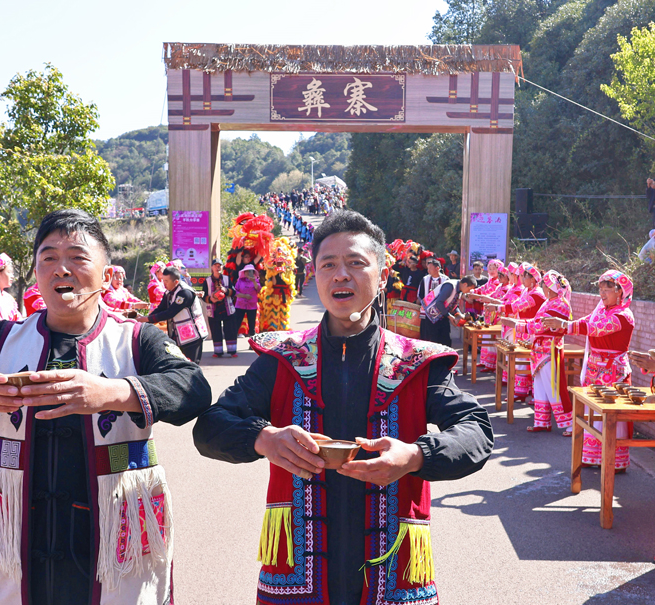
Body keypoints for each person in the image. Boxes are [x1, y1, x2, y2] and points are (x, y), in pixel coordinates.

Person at [0, 209, 212, 604]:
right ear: (37, 274)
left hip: (110, 530)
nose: (62, 269)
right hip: (13, 532)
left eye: (77, 257)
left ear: (107, 274)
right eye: (49, 258)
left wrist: (110, 394)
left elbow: (192, 388)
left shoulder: (136, 340)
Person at [193, 210, 493, 605]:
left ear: (383, 276)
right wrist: (264, 439)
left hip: (393, 572)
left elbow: (476, 430)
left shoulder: (417, 362)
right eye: (328, 265)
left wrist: (416, 455)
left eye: (356, 263)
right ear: (313, 276)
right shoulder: (282, 358)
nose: (341, 275)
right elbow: (211, 426)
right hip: (297, 577)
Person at [543, 270, 635, 472]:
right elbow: (587, 322)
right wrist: (563, 326)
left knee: (611, 414)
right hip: (596, 368)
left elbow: (596, 328)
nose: (602, 294)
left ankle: (614, 461)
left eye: (607, 289)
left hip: (613, 371)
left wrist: (565, 325)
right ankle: (593, 456)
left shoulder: (623, 315)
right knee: (592, 411)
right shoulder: (602, 310)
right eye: (601, 289)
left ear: (620, 291)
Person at [502, 270, 573, 433]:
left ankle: (568, 423)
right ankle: (542, 421)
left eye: (545, 285)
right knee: (540, 385)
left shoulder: (560, 304)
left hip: (550, 350)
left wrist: (516, 324)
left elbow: (541, 325)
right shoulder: (550, 302)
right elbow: (536, 321)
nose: (544, 288)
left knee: (554, 386)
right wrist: (518, 322)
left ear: (551, 287)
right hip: (540, 349)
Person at [486, 262, 545, 401]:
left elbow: (516, 306)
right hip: (524, 330)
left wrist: (496, 308)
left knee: (525, 363)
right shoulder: (527, 291)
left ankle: (528, 393)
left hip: (531, 332)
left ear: (532, 279)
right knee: (522, 362)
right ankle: (523, 391)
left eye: (524, 277)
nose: (521, 279)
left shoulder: (536, 294)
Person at [140, 266, 207, 363]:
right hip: (179, 336)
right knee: (180, 364)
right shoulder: (169, 292)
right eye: (163, 280)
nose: (164, 283)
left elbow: (170, 313)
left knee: (192, 365)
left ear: (175, 282)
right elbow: (161, 308)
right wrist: (146, 320)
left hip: (192, 336)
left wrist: (147, 319)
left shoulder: (185, 292)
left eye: (166, 281)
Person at [418, 274, 477, 346]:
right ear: (465, 284)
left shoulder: (459, 290)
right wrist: (449, 316)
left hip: (442, 315)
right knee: (435, 343)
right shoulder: (450, 286)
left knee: (446, 341)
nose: (468, 292)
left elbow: (453, 305)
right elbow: (439, 303)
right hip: (432, 317)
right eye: (469, 289)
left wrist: (459, 314)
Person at [202, 259, 237, 358]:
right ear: (212, 268)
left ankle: (232, 351)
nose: (218, 267)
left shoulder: (226, 278)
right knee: (215, 330)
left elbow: (234, 292)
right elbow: (203, 295)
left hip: (227, 309)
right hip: (214, 310)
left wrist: (225, 290)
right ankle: (218, 352)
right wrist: (211, 299)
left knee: (230, 329)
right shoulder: (207, 281)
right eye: (216, 265)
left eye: (220, 265)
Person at [233, 264, 261, 341]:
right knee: (236, 324)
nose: (248, 273)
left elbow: (258, 289)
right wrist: (244, 296)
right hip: (240, 305)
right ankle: (232, 343)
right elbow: (235, 292)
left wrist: (253, 281)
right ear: (244, 272)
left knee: (252, 326)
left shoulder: (256, 281)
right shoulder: (240, 281)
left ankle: (252, 344)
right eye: (247, 271)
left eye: (250, 271)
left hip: (252, 306)